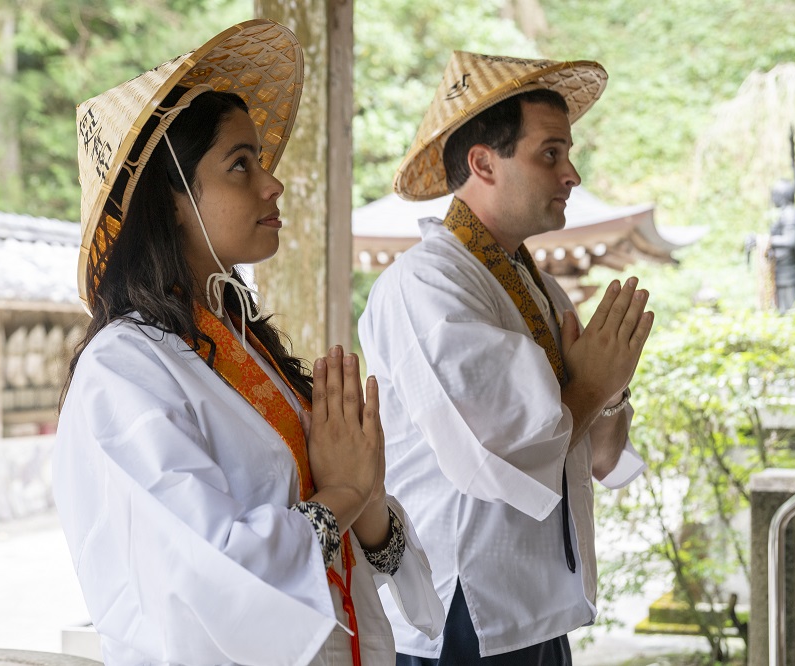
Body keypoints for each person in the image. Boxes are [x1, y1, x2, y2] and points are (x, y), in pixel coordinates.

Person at [54, 19, 443, 666]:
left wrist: (367, 499)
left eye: (261, 160)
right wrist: (344, 495)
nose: (273, 183)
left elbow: (350, 537)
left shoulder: (242, 346)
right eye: (241, 164)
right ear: (172, 199)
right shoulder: (124, 372)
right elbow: (209, 572)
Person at [358, 52, 655, 664]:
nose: (571, 173)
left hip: (541, 603)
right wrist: (593, 384)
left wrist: (612, 387)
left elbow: (599, 454)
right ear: (483, 163)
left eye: (567, 154)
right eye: (551, 153)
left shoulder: (542, 290)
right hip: (465, 603)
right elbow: (496, 451)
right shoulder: (426, 283)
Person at [767, 178, 795, 313]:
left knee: (788, 309)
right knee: (781, 308)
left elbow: (790, 240)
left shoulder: (789, 214)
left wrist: (767, 241)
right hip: (781, 267)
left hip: (788, 272)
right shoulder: (784, 213)